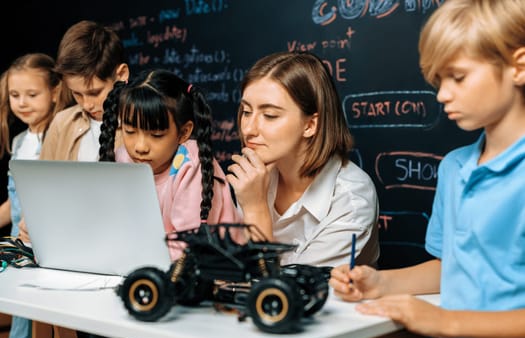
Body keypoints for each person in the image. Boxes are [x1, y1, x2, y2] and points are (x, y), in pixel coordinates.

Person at [329, 0, 525, 338]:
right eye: (438, 80)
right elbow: (450, 269)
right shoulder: (454, 167)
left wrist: (444, 320)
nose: (443, 94)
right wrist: (380, 284)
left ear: (518, 66)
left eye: (458, 77)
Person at [226, 51, 379, 267]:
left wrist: (255, 209)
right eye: (246, 111)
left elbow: (285, 293)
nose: (248, 129)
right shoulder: (256, 177)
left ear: (310, 125)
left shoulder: (351, 198)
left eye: (269, 115)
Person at [99, 69, 241, 260]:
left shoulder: (191, 164)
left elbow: (186, 247)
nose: (140, 147)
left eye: (156, 135)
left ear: (183, 133)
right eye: (130, 131)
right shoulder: (120, 157)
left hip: (208, 270)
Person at [16, 20, 129, 244]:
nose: (87, 104)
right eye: (77, 94)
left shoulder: (142, 126)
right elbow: (43, 190)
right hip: (68, 244)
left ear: (121, 74)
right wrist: (33, 221)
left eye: (95, 92)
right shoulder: (62, 123)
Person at [0, 53, 73, 338]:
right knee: (23, 323)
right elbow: (14, 200)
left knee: (35, 332)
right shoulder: (20, 143)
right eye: (15, 96)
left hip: (43, 249)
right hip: (18, 248)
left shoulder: (57, 136)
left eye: (32, 94)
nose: (22, 103)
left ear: (55, 92)